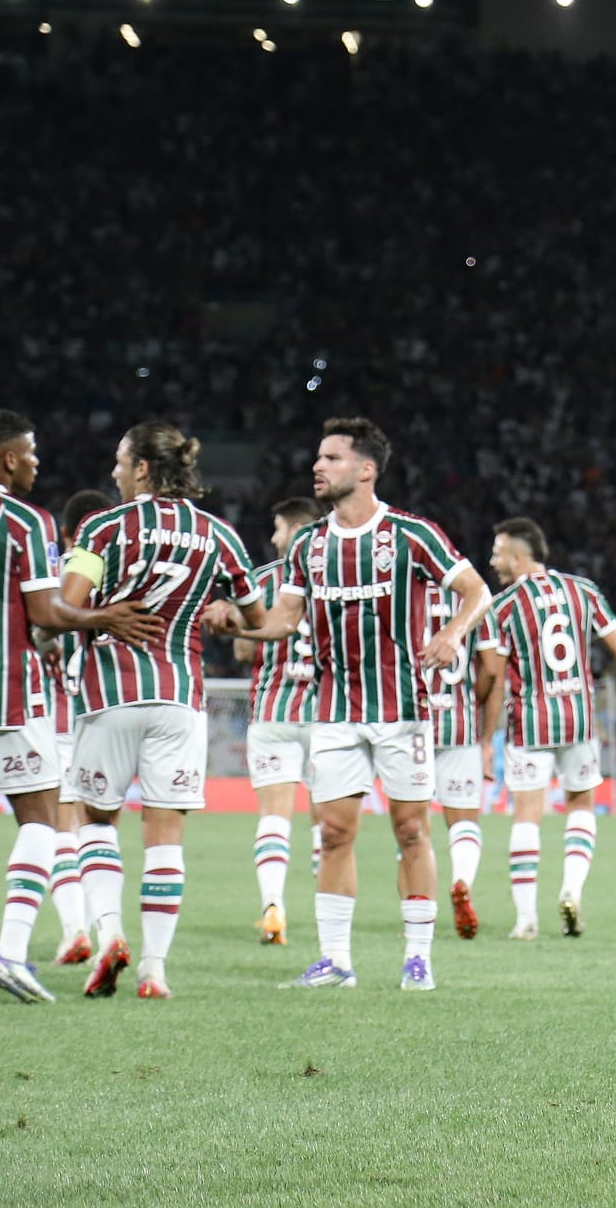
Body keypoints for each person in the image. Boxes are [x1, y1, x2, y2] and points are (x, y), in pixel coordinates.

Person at [218, 418, 490, 991]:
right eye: (318, 458)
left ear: (366, 470)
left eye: (332, 458)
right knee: (335, 834)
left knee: (411, 830)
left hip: (402, 710)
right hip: (335, 712)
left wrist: (453, 632)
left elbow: (476, 591)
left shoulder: (412, 534)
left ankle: (418, 958)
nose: (317, 466)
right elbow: (283, 621)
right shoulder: (309, 545)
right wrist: (237, 621)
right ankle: (336, 960)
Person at [0, 409, 162, 1003]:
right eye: (31, 454)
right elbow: (47, 613)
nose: (36, 463)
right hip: (4, 694)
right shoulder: (25, 519)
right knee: (42, 821)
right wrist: (107, 617)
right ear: (9, 459)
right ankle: (10, 953)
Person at [64, 422, 264, 1000]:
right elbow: (255, 619)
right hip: (180, 696)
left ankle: (109, 935)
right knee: (165, 835)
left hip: (110, 694)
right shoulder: (219, 533)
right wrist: (224, 610)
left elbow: (65, 606)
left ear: (144, 468)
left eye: (121, 462)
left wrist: (104, 617)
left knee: (96, 821)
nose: (115, 472)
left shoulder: (102, 527)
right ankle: (154, 971)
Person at [478, 516, 616, 940]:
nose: (492, 560)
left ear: (518, 557)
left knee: (527, 813)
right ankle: (571, 890)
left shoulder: (503, 607)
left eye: (498, 552)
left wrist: (486, 739)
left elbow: (495, 677)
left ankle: (526, 918)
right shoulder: (583, 591)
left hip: (530, 722)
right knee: (581, 804)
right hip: (578, 719)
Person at [232, 497, 328, 946]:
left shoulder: (263, 581)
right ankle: (328, 914)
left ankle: (273, 905)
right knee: (327, 822)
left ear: (297, 530)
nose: (273, 538)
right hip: (328, 715)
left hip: (273, 712)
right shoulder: (339, 577)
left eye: (278, 528)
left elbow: (242, 648)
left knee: (274, 817)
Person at [40, 488, 117, 966]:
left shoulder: (52, 576)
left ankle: (75, 929)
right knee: (99, 830)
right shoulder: (121, 576)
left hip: (52, 719)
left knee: (57, 829)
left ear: (67, 532)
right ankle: (106, 928)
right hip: (102, 714)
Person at [429, 575, 499, 940]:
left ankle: (415, 910)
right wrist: (472, 703)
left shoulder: (403, 591)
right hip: (460, 725)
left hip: (411, 724)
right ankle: (462, 881)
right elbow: (491, 668)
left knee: (411, 828)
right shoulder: (475, 601)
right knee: (464, 821)